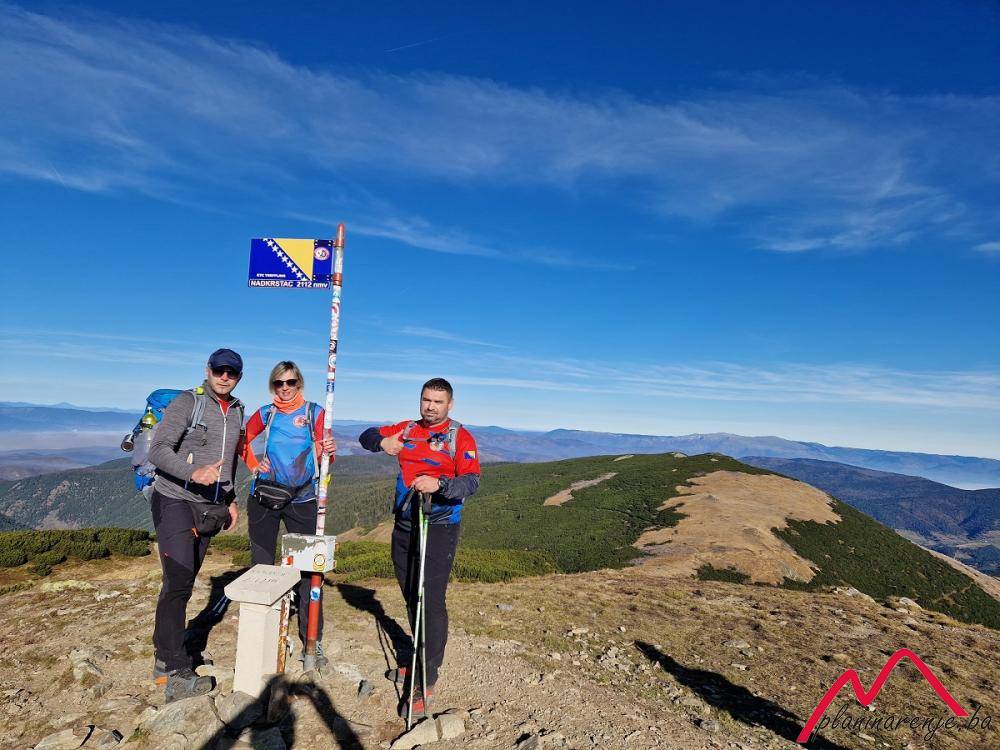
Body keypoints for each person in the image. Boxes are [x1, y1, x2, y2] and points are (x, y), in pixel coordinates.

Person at [358, 378, 481, 714]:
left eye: (438, 402)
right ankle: (417, 656)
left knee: (431, 599)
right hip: (405, 522)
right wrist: (383, 442)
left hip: (439, 525)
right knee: (412, 593)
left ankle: (425, 677)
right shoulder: (408, 429)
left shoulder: (460, 437)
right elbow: (366, 435)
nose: (431, 406)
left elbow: (471, 481)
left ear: (449, 404)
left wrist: (439, 484)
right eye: (427, 400)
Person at [147, 348, 245, 702]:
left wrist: (231, 499)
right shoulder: (188, 403)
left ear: (238, 377)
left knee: (185, 581)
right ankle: (172, 668)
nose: (224, 376)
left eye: (231, 372)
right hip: (173, 498)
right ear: (208, 370)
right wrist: (193, 472)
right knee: (178, 580)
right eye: (219, 370)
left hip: (209, 506)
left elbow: (229, 461)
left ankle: (168, 652)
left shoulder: (237, 410)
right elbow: (158, 450)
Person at [241, 361, 336, 665]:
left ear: (299, 384)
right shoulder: (266, 413)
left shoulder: (314, 413)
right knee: (261, 567)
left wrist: (328, 450)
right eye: (279, 383)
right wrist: (254, 464)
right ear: (273, 385)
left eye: (290, 382)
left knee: (309, 572)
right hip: (265, 496)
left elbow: (326, 455)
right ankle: (261, 635)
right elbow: (243, 440)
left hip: (303, 499)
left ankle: (312, 641)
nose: (284, 388)